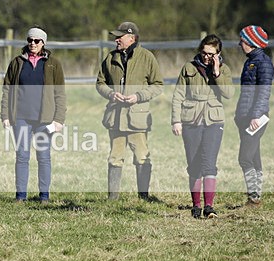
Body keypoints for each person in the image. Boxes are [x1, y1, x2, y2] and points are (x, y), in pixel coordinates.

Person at [96, 21, 163, 200]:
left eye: (120, 37)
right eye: (116, 37)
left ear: (131, 37)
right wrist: (110, 94)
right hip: (116, 118)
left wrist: (138, 96)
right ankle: (113, 198)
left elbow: (157, 85)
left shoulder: (147, 57)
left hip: (137, 119)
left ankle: (143, 197)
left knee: (142, 157)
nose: (116, 40)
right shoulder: (110, 58)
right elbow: (100, 83)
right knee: (114, 158)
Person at [1, 27, 66, 203]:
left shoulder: (53, 64)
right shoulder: (16, 62)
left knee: (43, 157)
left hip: (44, 119)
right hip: (21, 117)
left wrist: (59, 120)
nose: (32, 44)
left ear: (43, 43)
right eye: (30, 40)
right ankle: (20, 195)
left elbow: (60, 93)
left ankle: (44, 195)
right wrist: (5, 115)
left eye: (37, 41)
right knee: (22, 156)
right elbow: (7, 90)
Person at [171, 34, 234, 219]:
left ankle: (209, 206)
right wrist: (176, 120)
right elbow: (177, 96)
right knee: (194, 164)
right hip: (191, 119)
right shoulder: (188, 68)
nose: (207, 57)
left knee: (209, 163)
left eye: (211, 54)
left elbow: (229, 94)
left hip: (214, 120)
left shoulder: (224, 69)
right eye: (204, 53)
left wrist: (216, 73)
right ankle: (196, 206)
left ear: (218, 53)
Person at [235, 25, 274, 207]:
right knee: (254, 156)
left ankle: (253, 196)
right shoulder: (250, 61)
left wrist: (256, 116)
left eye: (242, 40)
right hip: (245, 117)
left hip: (256, 118)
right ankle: (256, 197)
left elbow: (263, 92)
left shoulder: (263, 63)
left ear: (251, 43)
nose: (239, 44)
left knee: (245, 157)